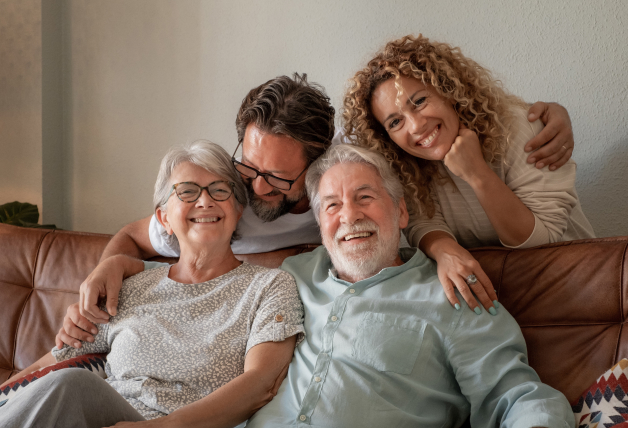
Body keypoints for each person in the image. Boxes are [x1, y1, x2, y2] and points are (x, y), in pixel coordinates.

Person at [46, 144, 575, 428]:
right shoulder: (291, 275)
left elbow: (521, 399)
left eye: (366, 198)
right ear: (318, 224)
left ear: (403, 213)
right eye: (332, 206)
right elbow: (190, 256)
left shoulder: (451, 294)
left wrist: (441, 247)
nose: (350, 216)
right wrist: (116, 263)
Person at [62, 73, 575, 347]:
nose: (257, 188)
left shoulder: (340, 189)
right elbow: (134, 236)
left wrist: (550, 115)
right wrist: (109, 265)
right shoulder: (216, 197)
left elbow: (413, 200)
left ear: (313, 167)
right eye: (250, 165)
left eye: (278, 179)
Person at [0, 140, 304, 428]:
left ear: (238, 210)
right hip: (109, 427)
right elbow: (44, 371)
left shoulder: (269, 286)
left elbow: (261, 381)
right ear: (163, 219)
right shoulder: (130, 286)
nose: (205, 201)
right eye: (187, 192)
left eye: (220, 190)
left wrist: (167, 427)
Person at [342, 34, 594, 314]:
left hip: (581, 289)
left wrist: (476, 173)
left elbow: (541, 242)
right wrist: (443, 250)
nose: (415, 126)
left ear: (448, 90)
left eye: (420, 101)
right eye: (395, 121)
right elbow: (422, 224)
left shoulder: (519, 129)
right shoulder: (405, 164)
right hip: (499, 303)